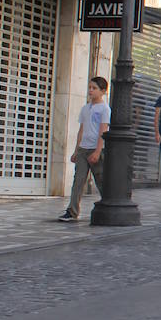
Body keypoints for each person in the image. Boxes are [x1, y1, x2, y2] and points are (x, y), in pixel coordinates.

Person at [58, 77, 110, 222]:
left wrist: (98, 151)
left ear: (103, 91)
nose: (91, 91)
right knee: (78, 180)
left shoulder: (105, 109)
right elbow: (81, 130)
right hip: (83, 149)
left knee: (100, 179)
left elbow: (103, 131)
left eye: (94, 88)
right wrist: (76, 150)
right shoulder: (85, 108)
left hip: (96, 149)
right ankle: (72, 211)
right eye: (90, 87)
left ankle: (109, 204)